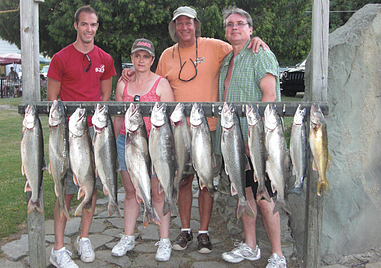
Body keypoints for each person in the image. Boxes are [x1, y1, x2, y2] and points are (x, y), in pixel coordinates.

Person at [155, 6, 268, 254]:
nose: (184, 27)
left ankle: (204, 233)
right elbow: (156, 85)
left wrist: (257, 40)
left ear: (196, 25)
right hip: (179, 130)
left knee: (206, 181)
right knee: (183, 181)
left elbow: (242, 47)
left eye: (189, 23)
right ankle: (185, 230)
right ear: (174, 27)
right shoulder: (166, 55)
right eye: (180, 23)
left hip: (212, 129)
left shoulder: (216, 46)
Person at [216, 6, 285, 268]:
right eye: (230, 24)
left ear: (251, 29)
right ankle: (250, 246)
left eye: (240, 24)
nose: (234, 27)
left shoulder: (261, 54)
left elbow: (269, 95)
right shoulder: (227, 60)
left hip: (257, 140)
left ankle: (278, 254)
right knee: (244, 193)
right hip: (233, 141)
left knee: (265, 196)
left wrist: (255, 138)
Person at [47, 5, 116, 268]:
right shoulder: (60, 58)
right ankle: (58, 247)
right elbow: (53, 99)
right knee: (65, 189)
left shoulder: (105, 59)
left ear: (97, 27)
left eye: (94, 25)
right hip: (68, 133)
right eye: (84, 24)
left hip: (95, 133)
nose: (89, 29)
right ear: (76, 25)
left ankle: (84, 237)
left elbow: (105, 97)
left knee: (91, 187)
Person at [111, 38, 175, 262]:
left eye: (145, 56)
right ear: (131, 58)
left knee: (158, 193)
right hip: (127, 144)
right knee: (131, 192)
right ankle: (128, 236)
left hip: (155, 145)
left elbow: (168, 121)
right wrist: (114, 143)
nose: (141, 60)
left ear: (152, 59)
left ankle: (164, 239)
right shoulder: (122, 85)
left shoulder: (161, 85)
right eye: (137, 56)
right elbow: (118, 116)